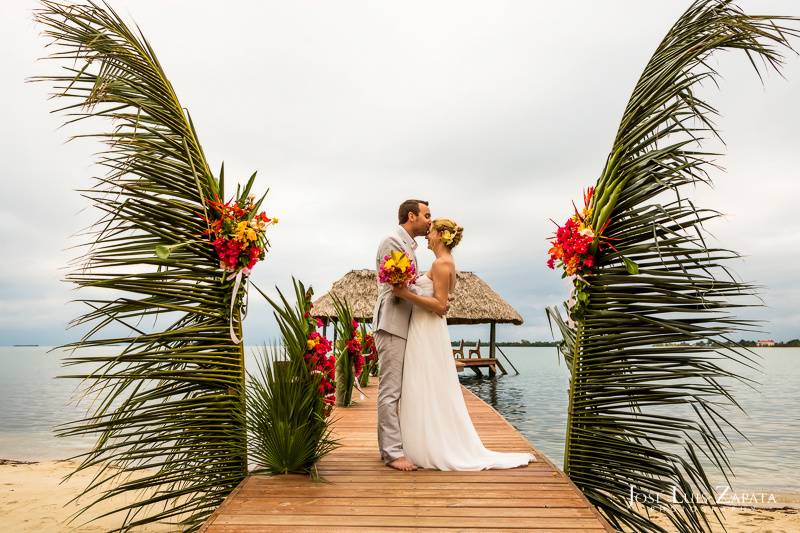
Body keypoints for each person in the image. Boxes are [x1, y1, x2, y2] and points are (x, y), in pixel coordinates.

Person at [391, 218, 535, 470]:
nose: (427, 235)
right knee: (422, 383)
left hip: (428, 329)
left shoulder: (441, 264)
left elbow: (439, 307)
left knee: (426, 383)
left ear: (440, 236)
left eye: (431, 231)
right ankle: (420, 442)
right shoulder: (443, 263)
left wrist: (406, 294)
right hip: (423, 329)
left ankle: (430, 445)